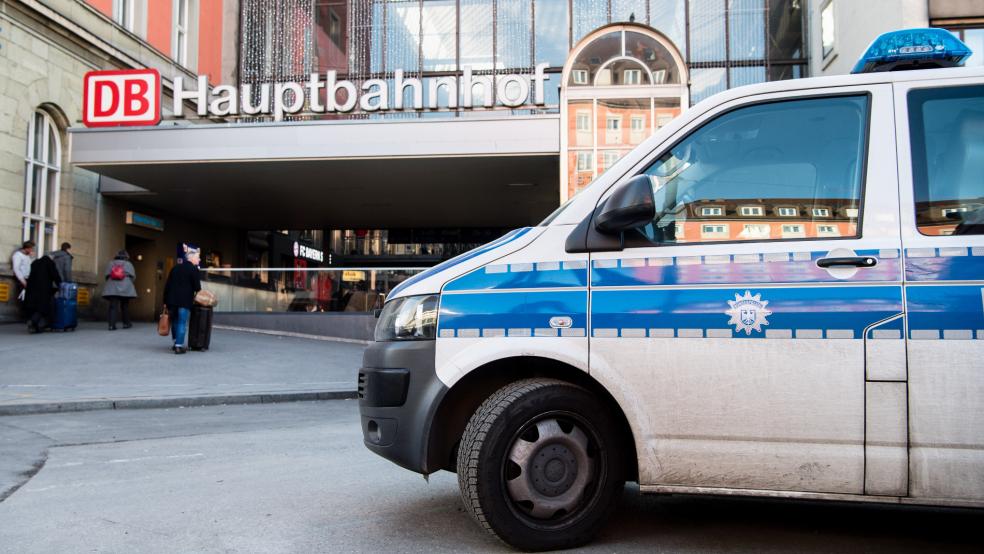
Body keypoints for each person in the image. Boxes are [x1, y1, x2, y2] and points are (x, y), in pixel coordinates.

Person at [163, 246, 201, 354]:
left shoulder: (175, 268)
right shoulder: (193, 269)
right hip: (184, 301)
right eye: (198, 257)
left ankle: (175, 343)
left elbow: (167, 285)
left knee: (175, 321)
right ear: (191, 258)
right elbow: (197, 288)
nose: (199, 259)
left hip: (171, 300)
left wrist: (165, 301)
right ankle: (178, 346)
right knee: (182, 322)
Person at [23, 254, 61, 333]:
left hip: (31, 287)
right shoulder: (50, 263)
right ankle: (33, 321)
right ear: (52, 258)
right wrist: (60, 285)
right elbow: (55, 275)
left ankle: (35, 326)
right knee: (43, 307)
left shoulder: (35, 262)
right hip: (43, 288)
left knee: (34, 306)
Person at [102, 250, 137, 330]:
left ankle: (111, 325)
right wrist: (127, 283)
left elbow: (106, 276)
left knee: (113, 306)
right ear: (126, 257)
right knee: (125, 306)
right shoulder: (129, 264)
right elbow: (133, 277)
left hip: (112, 287)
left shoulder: (111, 263)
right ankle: (126, 324)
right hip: (126, 287)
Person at [11, 241, 34, 318]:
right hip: (22, 279)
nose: (32, 250)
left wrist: (31, 257)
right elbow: (16, 269)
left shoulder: (28, 256)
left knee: (28, 298)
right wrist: (22, 281)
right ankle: (22, 315)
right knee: (23, 298)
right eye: (31, 249)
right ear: (26, 248)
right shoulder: (17, 255)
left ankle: (26, 315)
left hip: (28, 278)